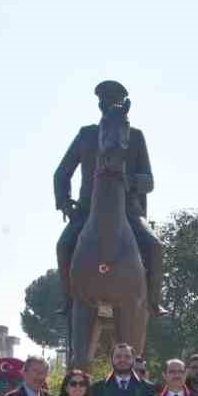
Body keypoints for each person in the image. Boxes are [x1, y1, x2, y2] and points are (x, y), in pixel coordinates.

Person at [54, 80, 163, 314]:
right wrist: (64, 202)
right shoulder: (86, 135)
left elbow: (149, 180)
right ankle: (67, 300)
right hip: (86, 211)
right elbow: (61, 173)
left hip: (128, 211)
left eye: (113, 100)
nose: (107, 104)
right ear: (100, 105)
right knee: (63, 246)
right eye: (104, 100)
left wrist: (130, 181)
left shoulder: (135, 137)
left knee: (154, 246)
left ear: (122, 104)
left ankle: (153, 301)